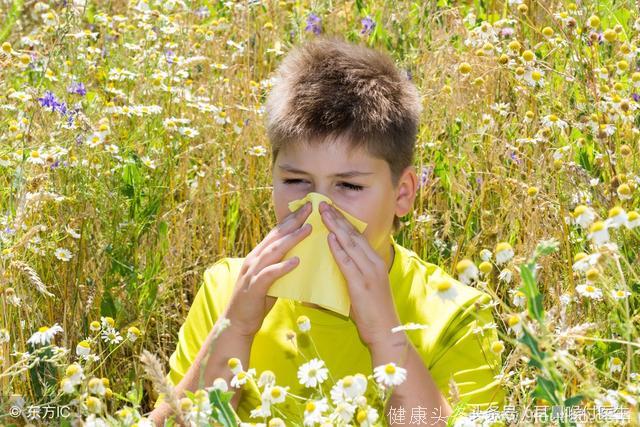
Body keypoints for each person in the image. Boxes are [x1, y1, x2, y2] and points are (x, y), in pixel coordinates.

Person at [149, 36, 505, 426]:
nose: (320, 208)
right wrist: (237, 329)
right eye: (297, 181)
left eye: (349, 187)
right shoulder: (227, 290)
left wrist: (387, 336)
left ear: (402, 194)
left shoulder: (454, 314)